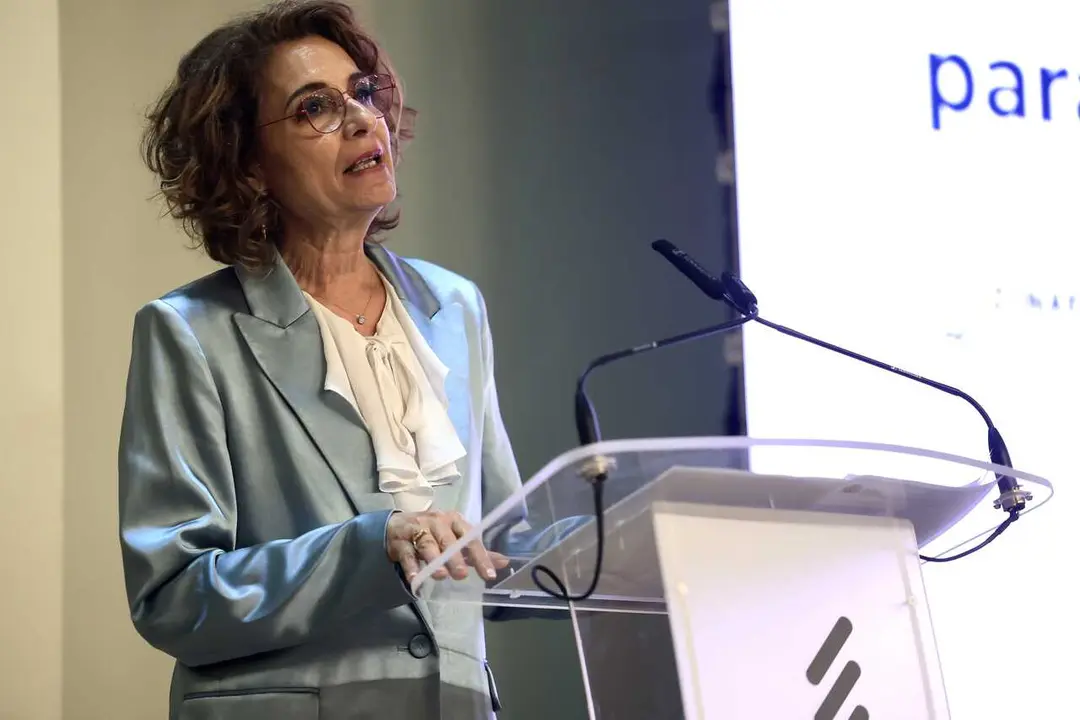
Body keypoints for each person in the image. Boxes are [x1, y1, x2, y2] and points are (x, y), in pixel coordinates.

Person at [118, 2, 525, 717]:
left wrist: (626, 544)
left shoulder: (454, 307)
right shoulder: (189, 333)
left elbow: (503, 547)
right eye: (315, 108)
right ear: (248, 163)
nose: (364, 120)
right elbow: (172, 596)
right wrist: (372, 549)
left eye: (363, 93)